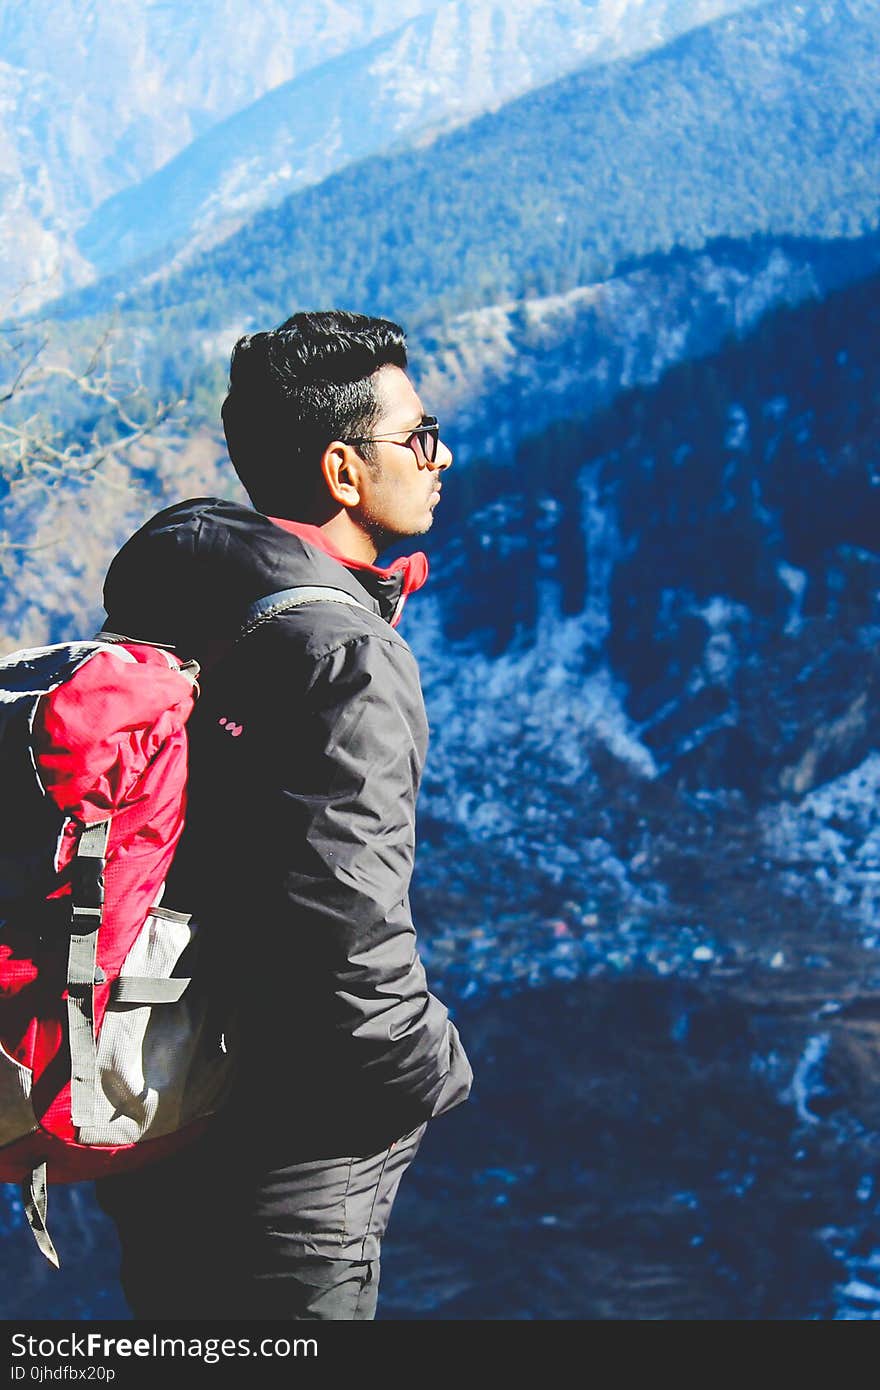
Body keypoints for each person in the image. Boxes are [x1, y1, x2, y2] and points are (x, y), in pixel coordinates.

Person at [93, 310, 473, 1321]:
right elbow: (346, 924)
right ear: (344, 472)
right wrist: (428, 1066)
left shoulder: (193, 597)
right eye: (418, 438)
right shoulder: (343, 654)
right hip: (294, 1153)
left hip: (161, 1101)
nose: (439, 460)